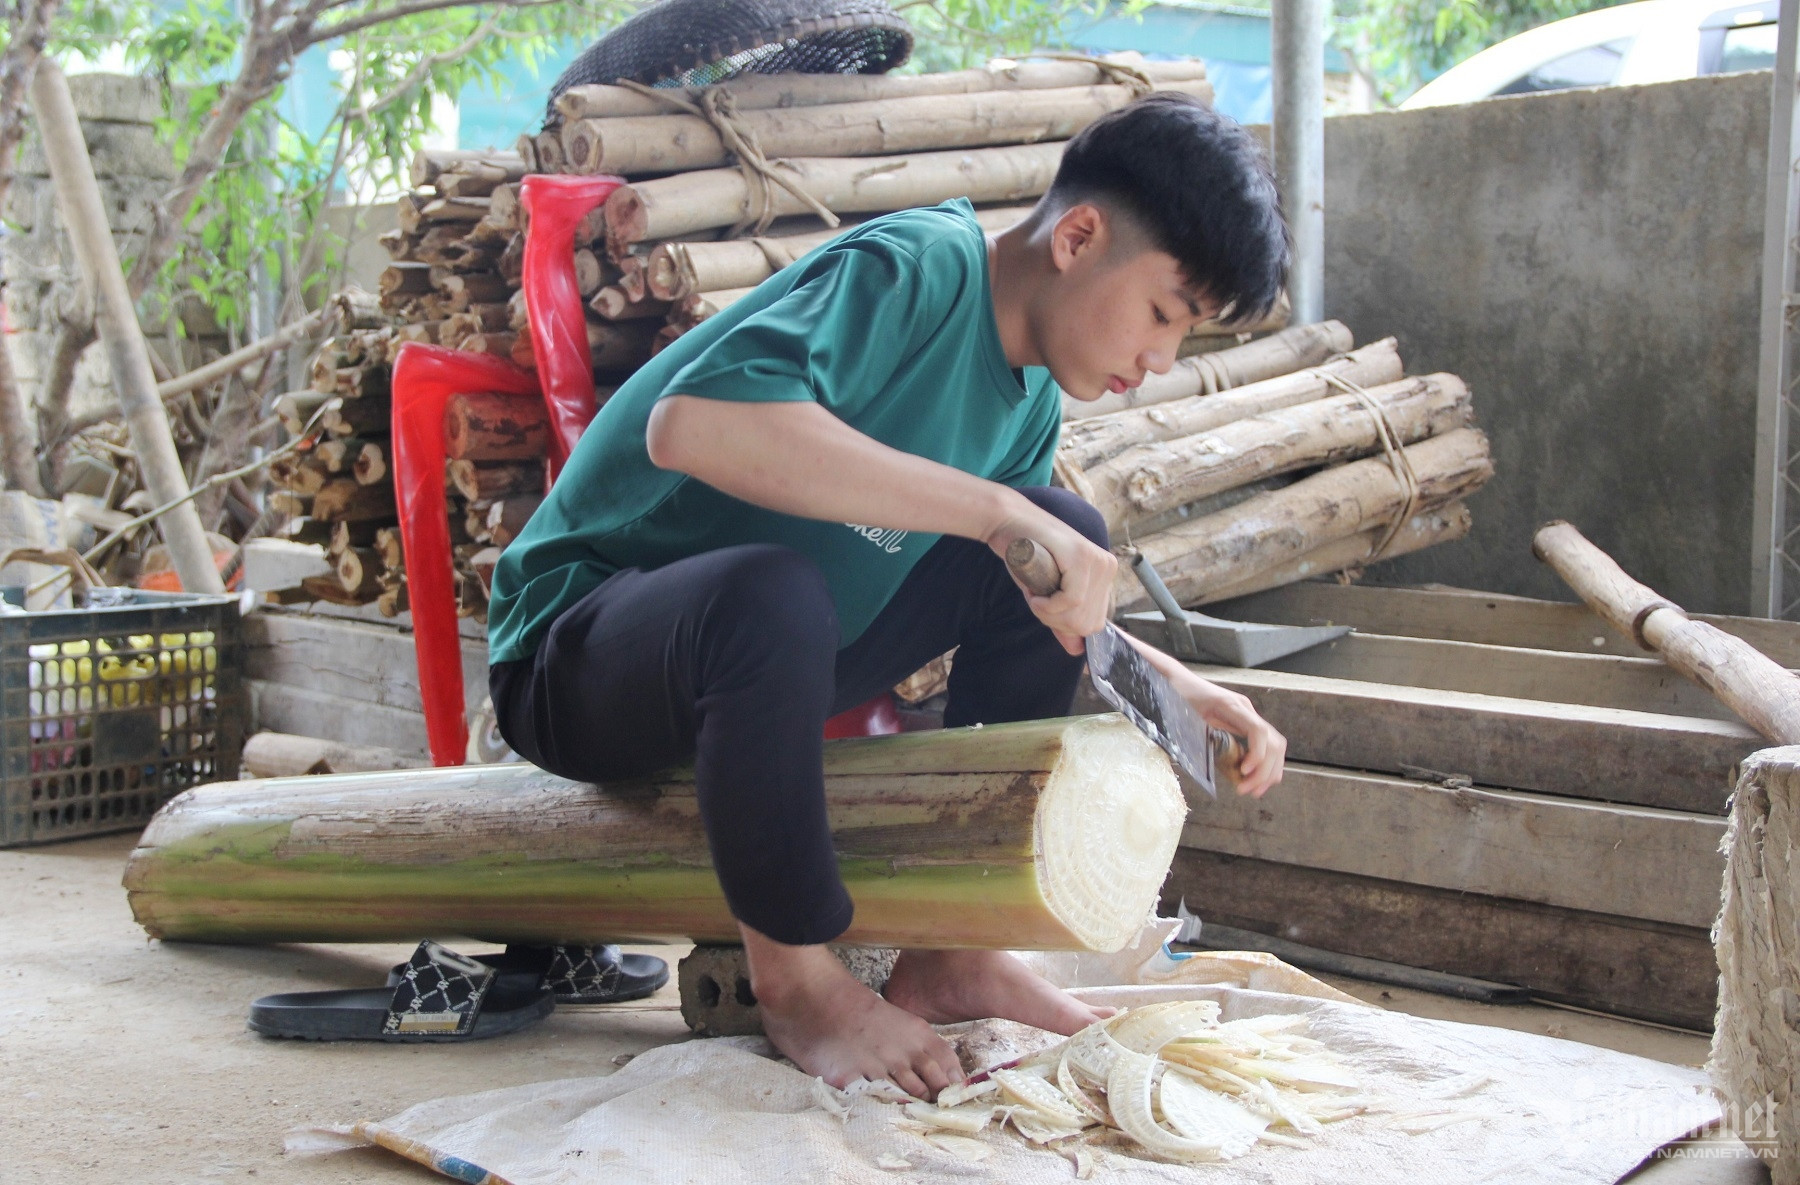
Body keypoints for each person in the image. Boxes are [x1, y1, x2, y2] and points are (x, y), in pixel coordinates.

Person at [485, 91, 1290, 1099]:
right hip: (580, 658)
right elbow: (689, 426)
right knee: (783, 591)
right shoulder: (917, 269)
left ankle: (957, 944)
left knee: (1061, 535)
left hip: (770, 659)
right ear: (1080, 237)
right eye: (1164, 315)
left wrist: (1177, 687)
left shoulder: (1027, 395)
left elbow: (1036, 578)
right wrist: (1000, 512)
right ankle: (798, 980)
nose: (1159, 359)